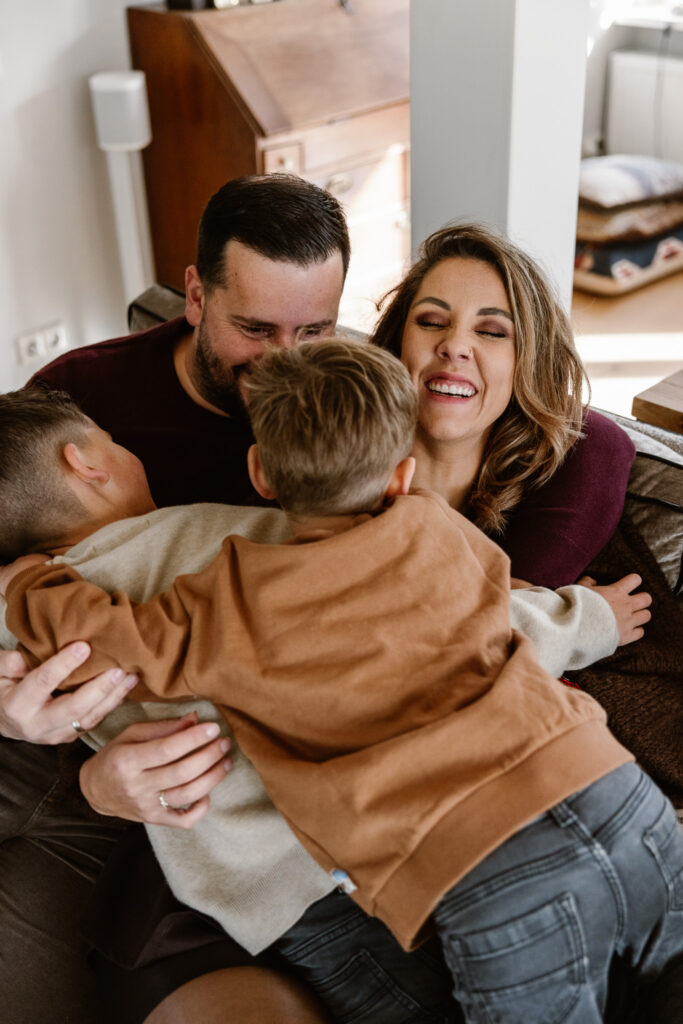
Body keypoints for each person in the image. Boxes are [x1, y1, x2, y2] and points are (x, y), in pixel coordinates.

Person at [4, 340, 679, 1024]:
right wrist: (592, 615)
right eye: (114, 440)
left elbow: (125, 644)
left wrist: (24, 585)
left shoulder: (219, 593)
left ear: (259, 471)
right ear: (403, 476)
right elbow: (506, 615)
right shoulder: (408, 528)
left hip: (419, 875)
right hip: (611, 791)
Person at [0, 173, 351, 1024]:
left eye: (314, 329)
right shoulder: (82, 401)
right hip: (63, 757)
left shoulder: (346, 403)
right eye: (255, 329)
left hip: (218, 791)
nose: (284, 361)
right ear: (194, 295)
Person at [370, 222, 636, 589]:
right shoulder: (334, 450)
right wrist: (564, 617)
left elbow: (495, 627)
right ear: (398, 341)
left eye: (492, 331)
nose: (455, 345)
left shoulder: (587, 453)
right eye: (431, 322)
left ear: (528, 362)